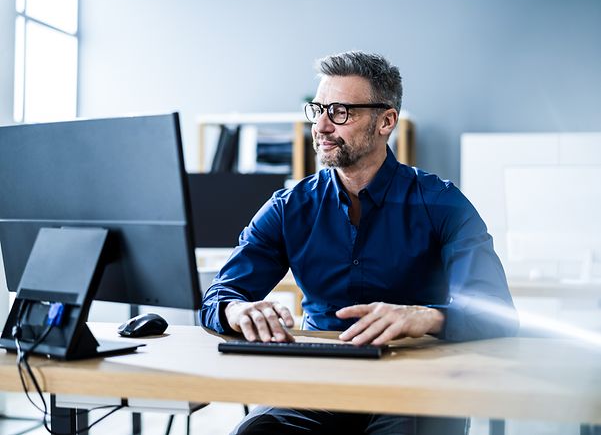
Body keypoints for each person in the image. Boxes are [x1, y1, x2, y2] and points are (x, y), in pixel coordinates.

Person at [200, 51, 519, 435]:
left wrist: (424, 316)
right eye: (317, 109)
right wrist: (236, 311)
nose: (321, 126)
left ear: (386, 121)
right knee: (255, 432)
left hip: (414, 381)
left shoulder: (443, 204)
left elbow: (498, 313)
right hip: (319, 381)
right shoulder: (289, 208)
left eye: (340, 112)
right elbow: (220, 296)